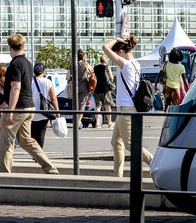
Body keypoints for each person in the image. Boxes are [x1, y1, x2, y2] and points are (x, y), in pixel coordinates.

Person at [0, 33, 59, 174]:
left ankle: (3, 175)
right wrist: (7, 102)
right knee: (26, 141)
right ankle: (50, 168)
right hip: (29, 107)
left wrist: (10, 110)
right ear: (23, 46)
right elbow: (24, 88)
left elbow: (16, 87)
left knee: (6, 142)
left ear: (10, 47)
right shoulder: (27, 63)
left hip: (18, 108)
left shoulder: (14, 64)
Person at [102, 34, 153, 177]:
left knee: (130, 145)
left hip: (126, 109)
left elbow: (105, 48)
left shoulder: (126, 64)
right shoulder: (136, 64)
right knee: (115, 142)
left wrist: (116, 40)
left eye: (118, 52)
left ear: (122, 51)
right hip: (126, 109)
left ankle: (154, 162)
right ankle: (117, 174)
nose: (117, 55)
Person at [31, 63, 60, 148]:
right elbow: (53, 98)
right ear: (43, 71)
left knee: (33, 135)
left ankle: (35, 153)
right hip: (44, 112)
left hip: (31, 111)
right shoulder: (48, 82)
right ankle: (39, 154)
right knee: (41, 134)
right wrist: (57, 111)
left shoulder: (29, 82)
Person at [65, 49, 91, 129]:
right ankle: (79, 121)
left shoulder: (72, 65)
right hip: (84, 87)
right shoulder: (85, 64)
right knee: (82, 105)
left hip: (75, 87)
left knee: (75, 104)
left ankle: (76, 121)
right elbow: (92, 71)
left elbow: (67, 77)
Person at [93, 55, 114, 127]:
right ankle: (109, 122)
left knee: (98, 106)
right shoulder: (107, 67)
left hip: (96, 89)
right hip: (105, 90)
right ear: (106, 60)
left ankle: (97, 123)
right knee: (107, 106)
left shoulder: (95, 67)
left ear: (100, 60)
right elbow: (111, 78)